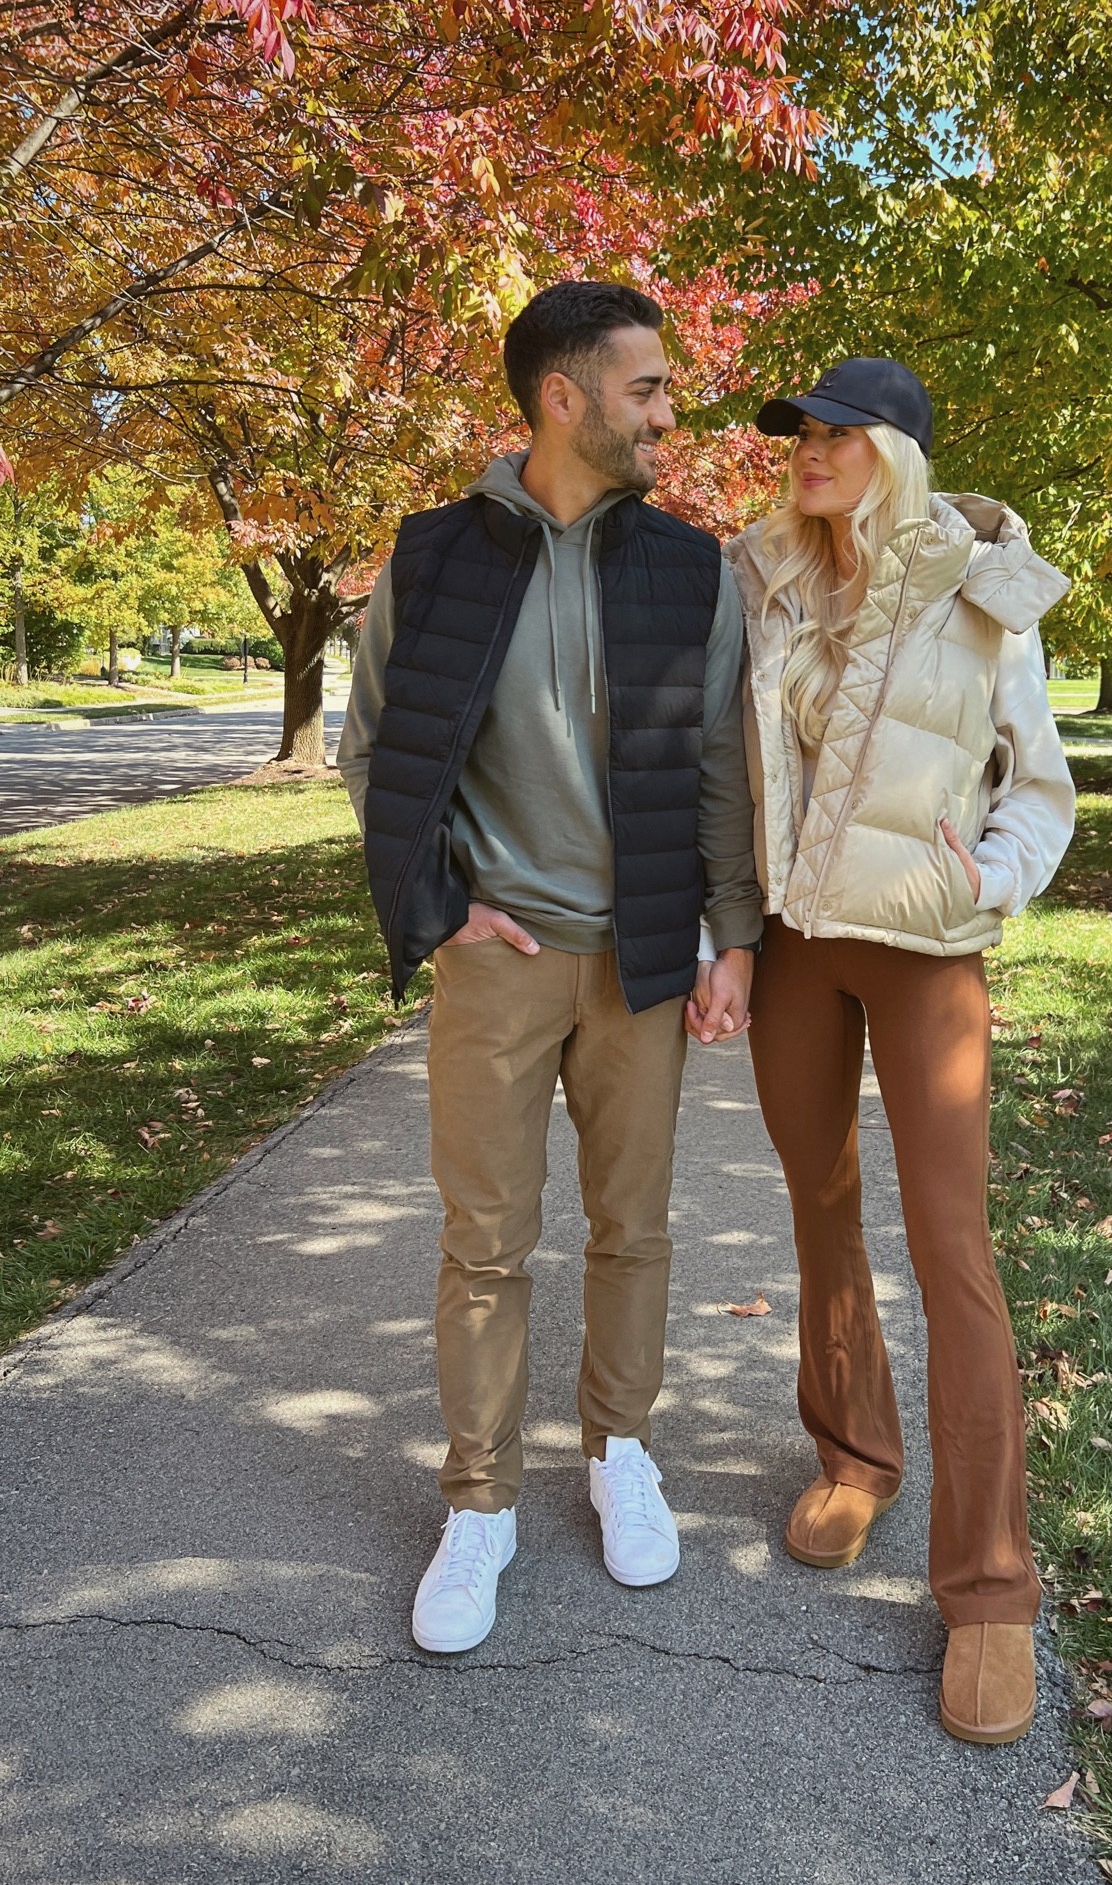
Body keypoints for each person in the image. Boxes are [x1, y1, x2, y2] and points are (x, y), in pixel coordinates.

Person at [339, 281, 761, 1654]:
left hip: (642, 960)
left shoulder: (689, 566)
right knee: (485, 1242)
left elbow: (718, 765)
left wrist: (732, 936)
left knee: (635, 1228)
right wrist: (442, 909)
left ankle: (619, 1452)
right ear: (563, 398)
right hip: (500, 961)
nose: (668, 413)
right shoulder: (433, 555)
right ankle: (481, 1503)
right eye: (647, 388)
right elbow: (376, 751)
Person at [723, 357, 1075, 1744]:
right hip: (795, 945)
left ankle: (989, 1588)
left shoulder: (985, 595)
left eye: (836, 433)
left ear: (899, 453)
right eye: (797, 433)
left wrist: (990, 878)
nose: (805, 450)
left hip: (927, 952)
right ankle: (856, 1453)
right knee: (820, 1207)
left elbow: (1040, 788)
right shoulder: (764, 578)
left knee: (952, 1251)